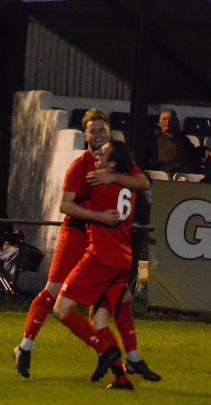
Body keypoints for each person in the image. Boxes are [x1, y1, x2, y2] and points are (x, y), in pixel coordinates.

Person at [14, 108, 160, 383]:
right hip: (78, 233)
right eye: (93, 130)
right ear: (85, 135)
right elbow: (65, 206)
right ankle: (26, 346)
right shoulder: (81, 165)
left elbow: (142, 181)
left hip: (104, 239)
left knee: (117, 301)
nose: (98, 134)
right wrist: (100, 214)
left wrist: (113, 177)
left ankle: (126, 367)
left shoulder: (115, 162)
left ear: (109, 132)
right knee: (55, 292)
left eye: (102, 129)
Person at [53, 140, 138, 389]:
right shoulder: (127, 186)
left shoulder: (100, 184)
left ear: (112, 164)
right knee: (99, 319)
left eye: (104, 153)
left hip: (100, 258)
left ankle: (104, 350)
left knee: (61, 308)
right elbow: (142, 182)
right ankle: (121, 378)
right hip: (121, 260)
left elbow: (67, 206)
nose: (98, 154)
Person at [147, 108, 196, 177]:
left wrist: (204, 150)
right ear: (160, 122)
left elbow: (192, 151)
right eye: (165, 119)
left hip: (184, 172)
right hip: (164, 172)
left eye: (170, 119)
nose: (167, 122)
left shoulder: (182, 137)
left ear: (175, 122)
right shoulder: (153, 138)